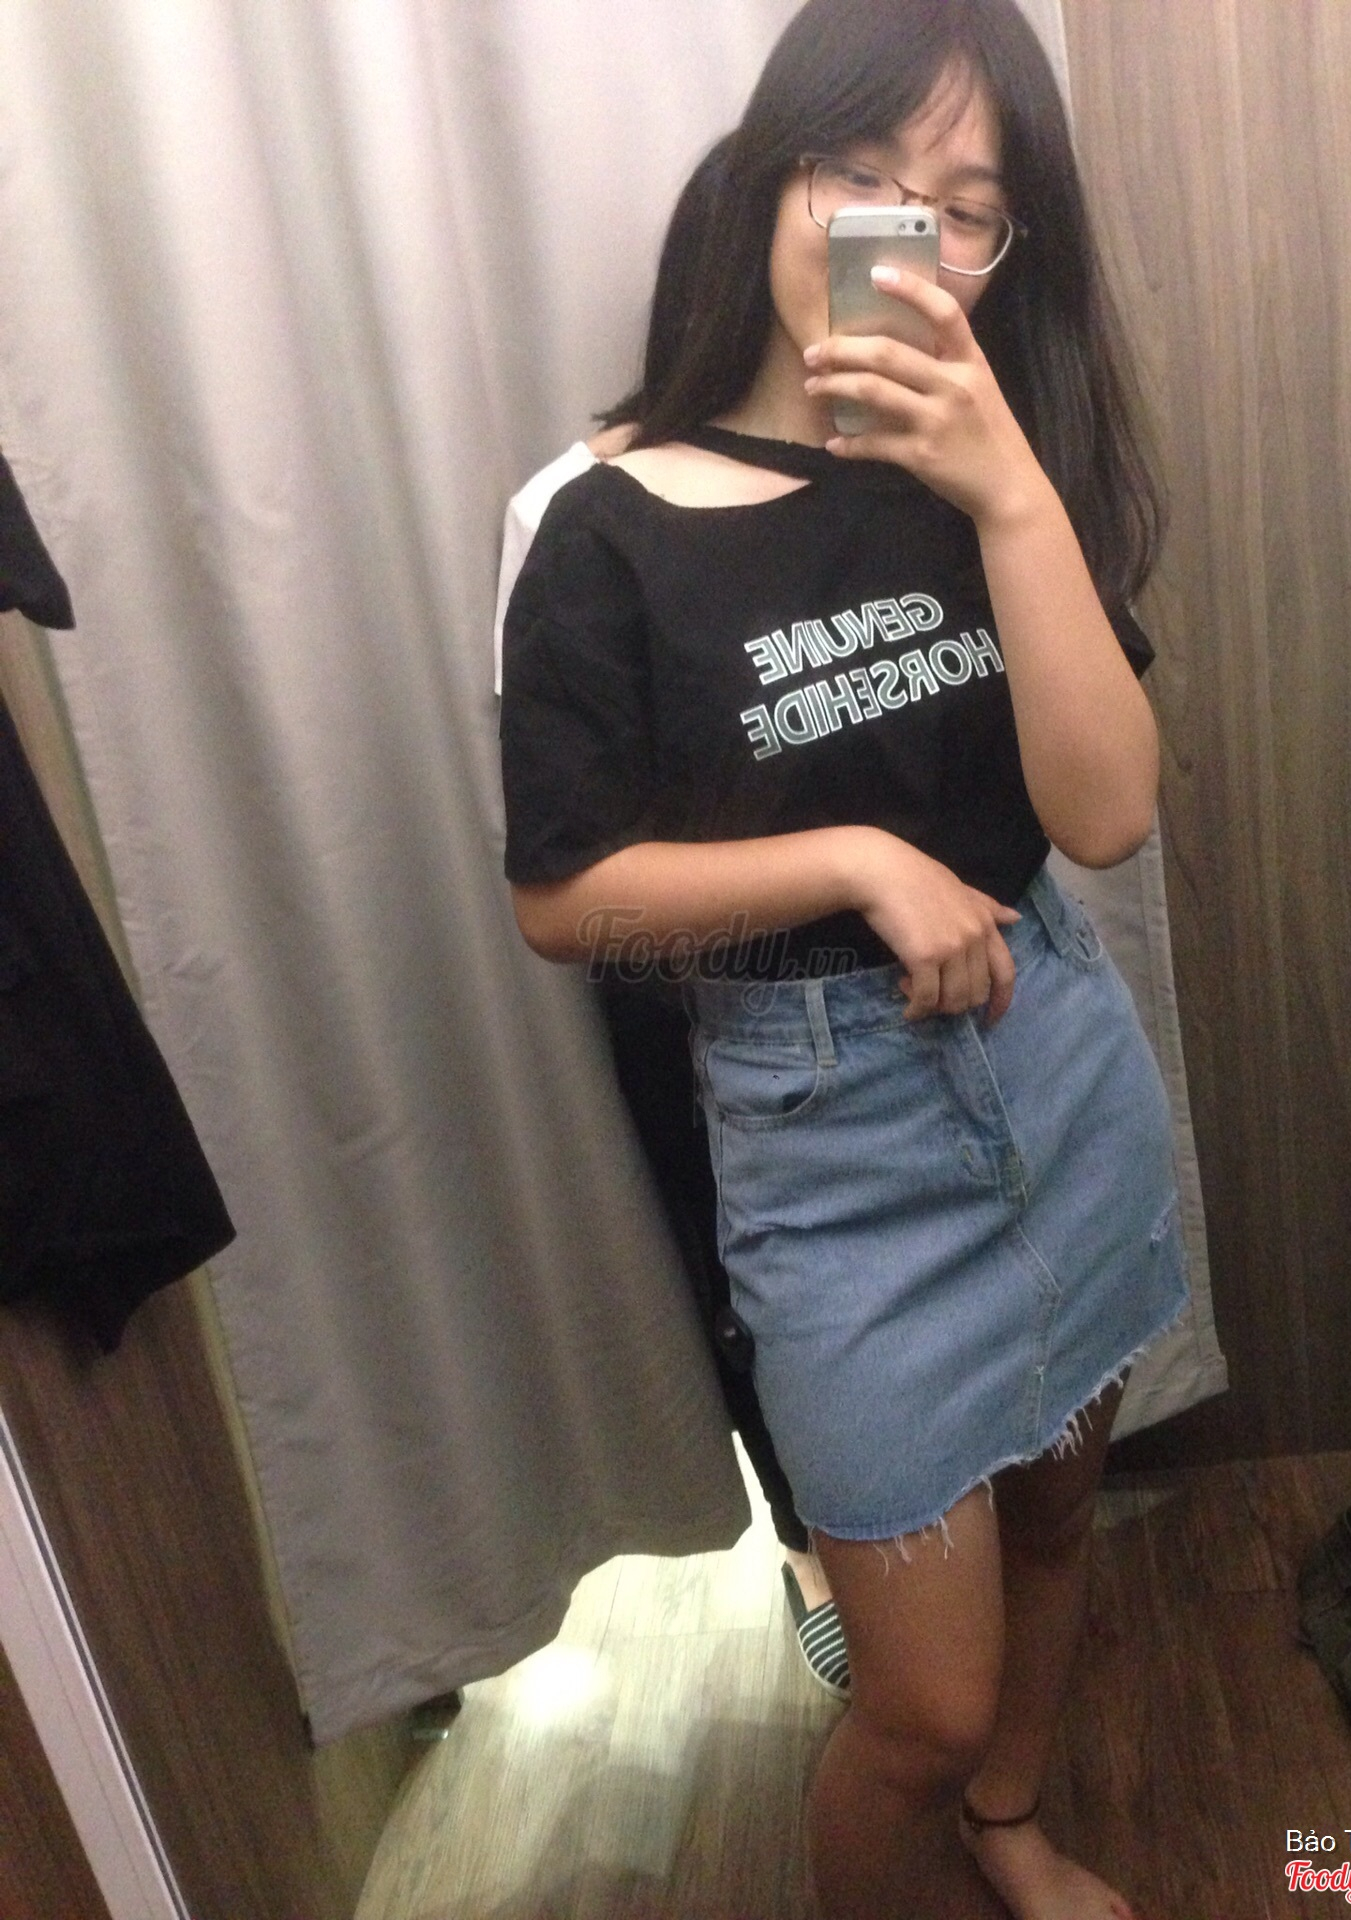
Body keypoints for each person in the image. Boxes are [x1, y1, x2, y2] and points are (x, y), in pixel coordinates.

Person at [500, 2, 1187, 1915]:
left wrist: (1008, 490)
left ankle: (1013, 1832)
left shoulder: (990, 478)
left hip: (1060, 1069)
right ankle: (960, 1801)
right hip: (835, 1152)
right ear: (770, 178)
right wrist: (858, 860)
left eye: (962, 206)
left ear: (1003, 250)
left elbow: (1106, 813)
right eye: (860, 172)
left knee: (1062, 1516)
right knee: (918, 1707)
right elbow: (561, 902)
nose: (904, 230)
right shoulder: (606, 524)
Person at [493, 136, 852, 1700]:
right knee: (750, 1275)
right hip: (700, 976)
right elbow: (569, 838)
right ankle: (817, 1542)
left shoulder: (903, 454)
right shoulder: (582, 510)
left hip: (916, 958)